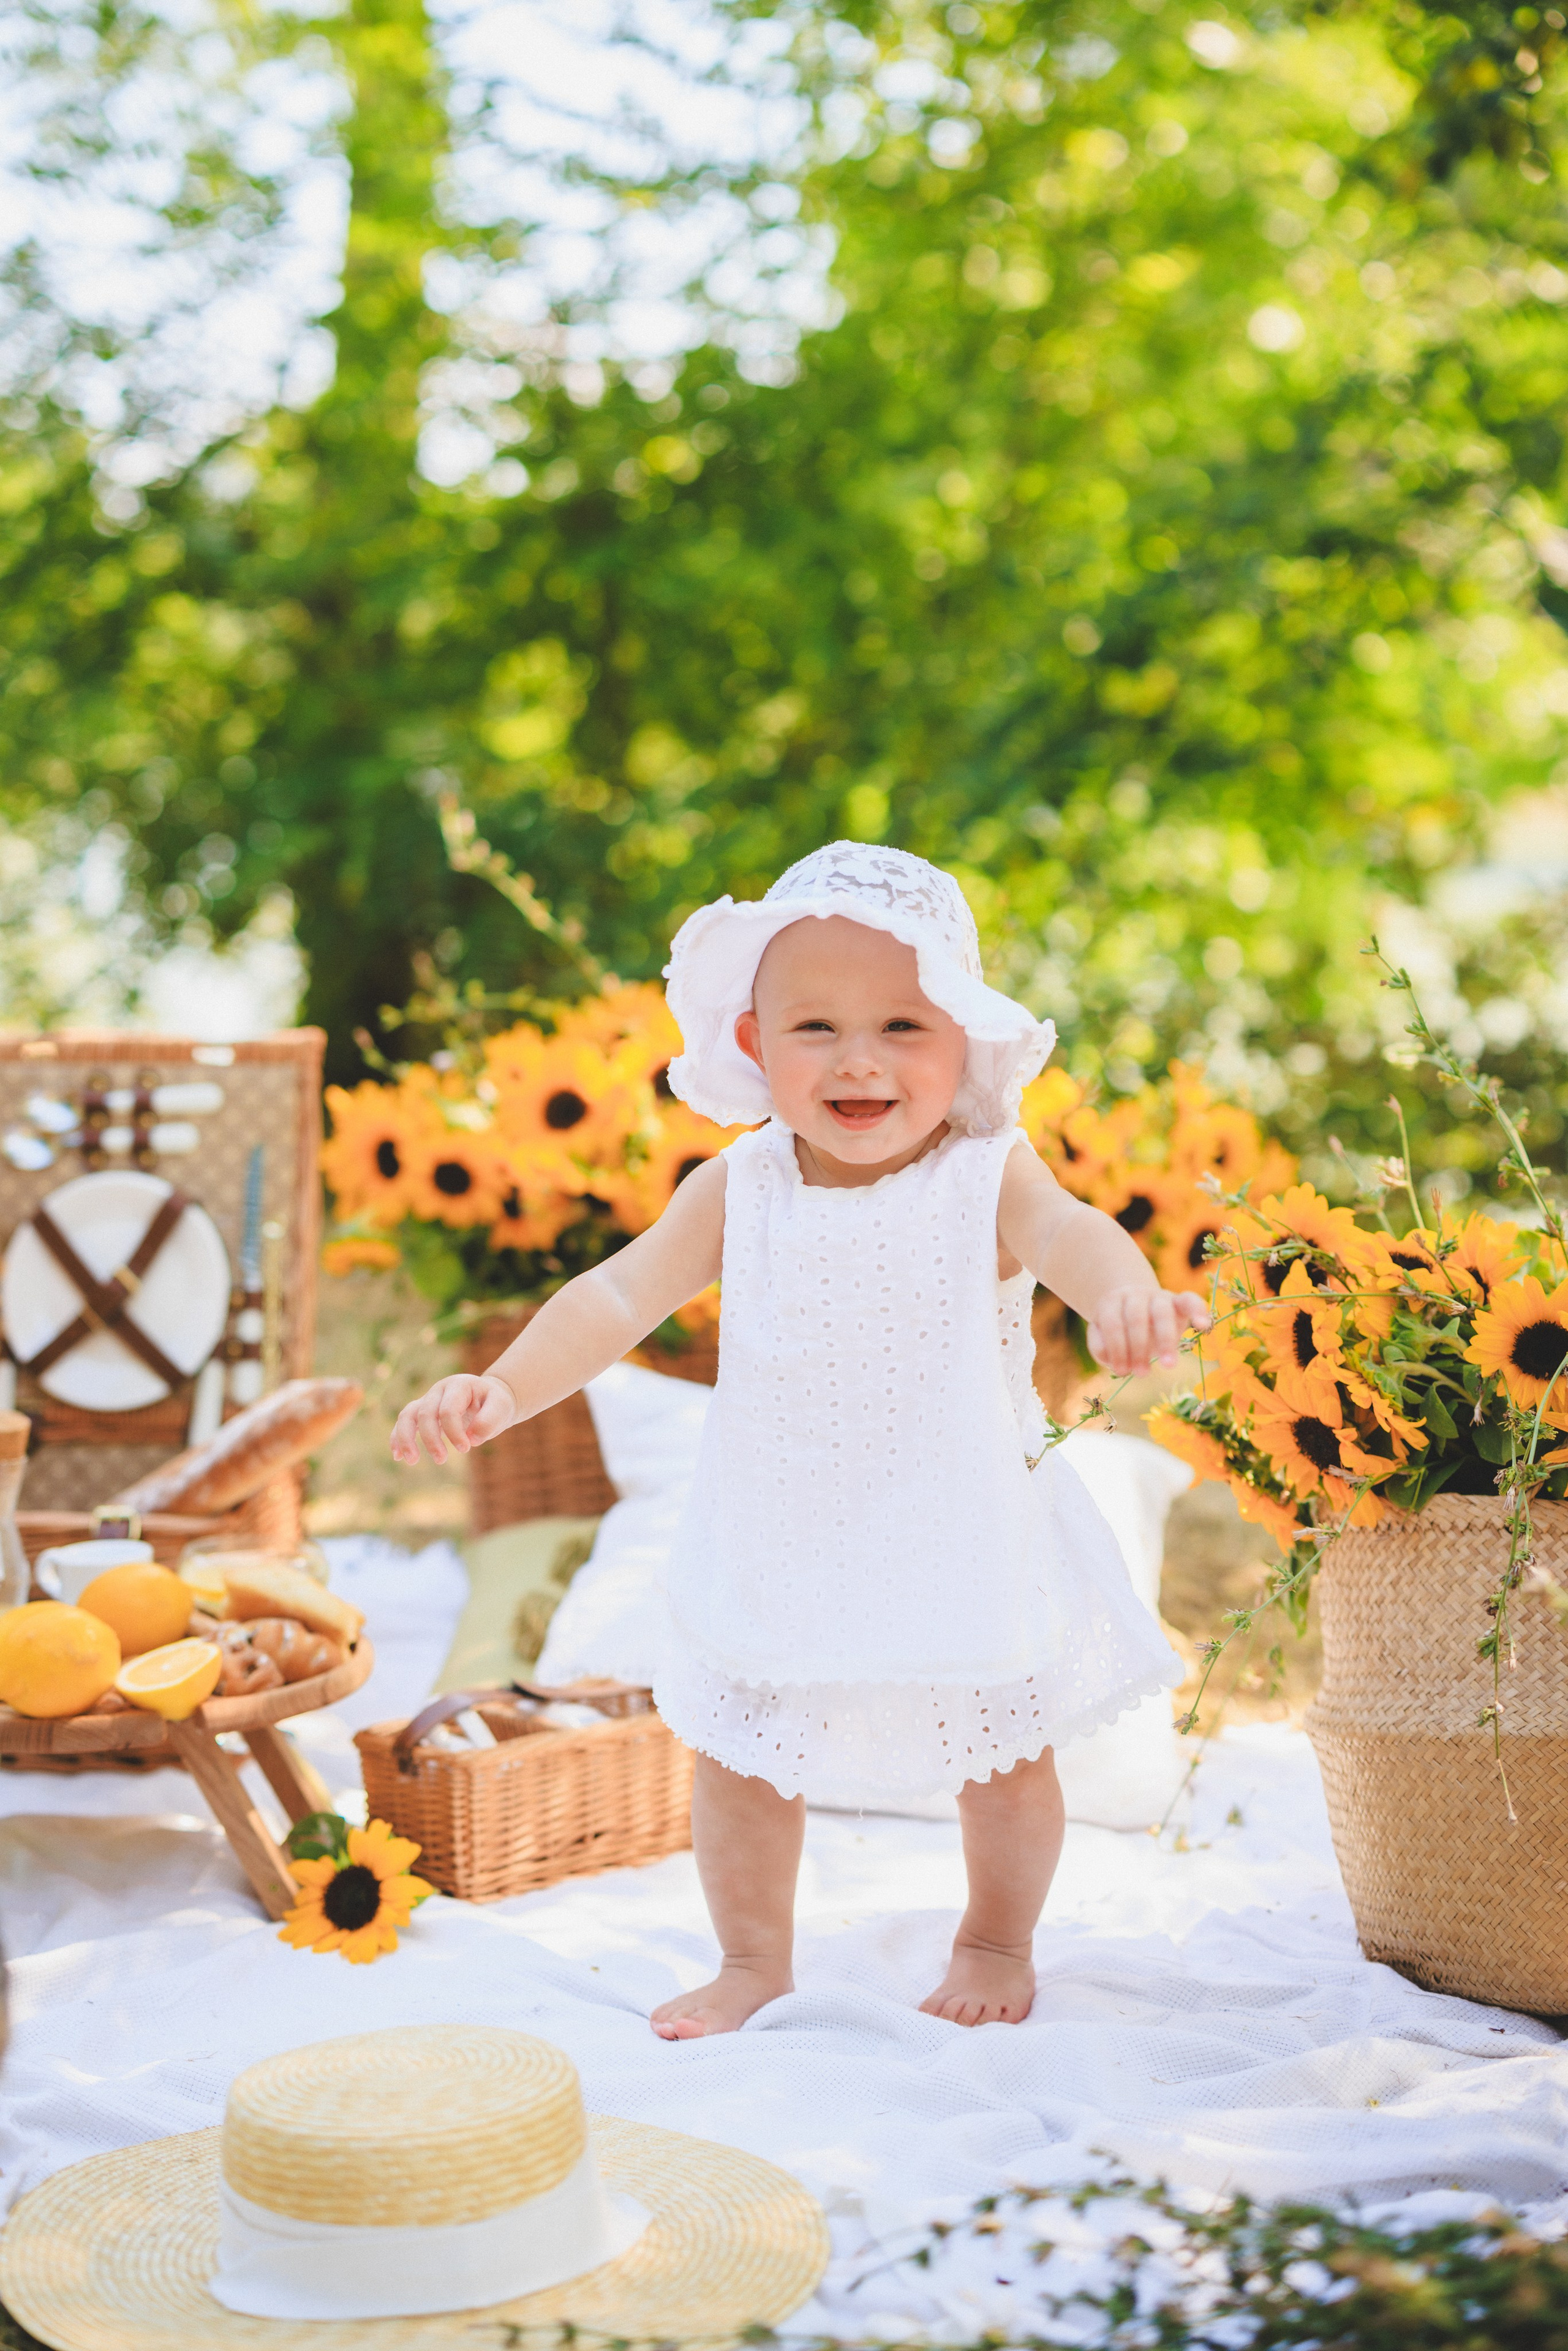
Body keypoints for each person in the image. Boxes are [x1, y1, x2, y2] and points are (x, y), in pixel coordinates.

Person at [392, 843, 1209, 2039]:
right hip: (781, 1520)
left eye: (900, 1024)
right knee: (740, 1755)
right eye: (815, 1027)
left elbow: (1075, 1232)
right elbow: (615, 1299)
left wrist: (1120, 1294)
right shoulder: (744, 1184)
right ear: (754, 1047)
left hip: (954, 1519)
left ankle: (992, 1934)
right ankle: (749, 1958)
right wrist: (502, 1386)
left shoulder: (984, 1175)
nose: (859, 1058)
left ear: (964, 1044)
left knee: (996, 1753)